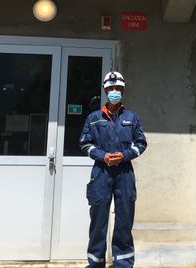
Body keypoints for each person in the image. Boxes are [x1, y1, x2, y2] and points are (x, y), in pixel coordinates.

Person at [79, 70, 147, 267]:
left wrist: (124, 156)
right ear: (105, 90)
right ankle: (95, 263)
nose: (114, 91)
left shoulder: (132, 117)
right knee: (98, 222)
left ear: (122, 90)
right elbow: (85, 143)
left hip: (124, 173)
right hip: (101, 173)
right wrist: (103, 156)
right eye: (111, 88)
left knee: (124, 222)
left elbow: (141, 143)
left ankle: (124, 264)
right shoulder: (94, 118)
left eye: (118, 88)